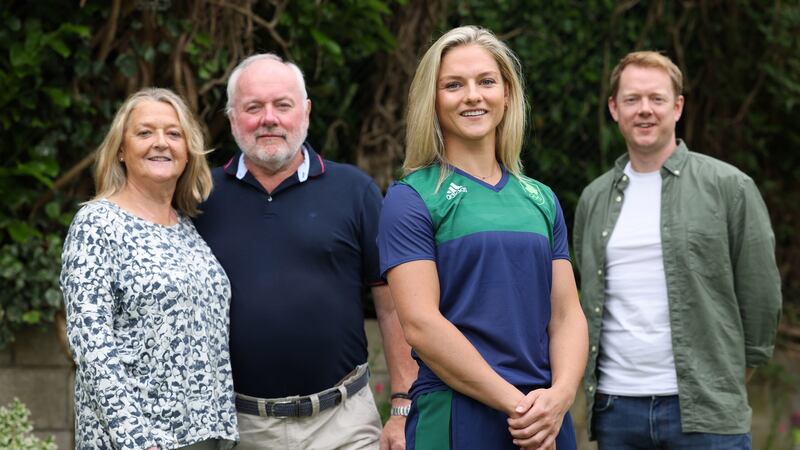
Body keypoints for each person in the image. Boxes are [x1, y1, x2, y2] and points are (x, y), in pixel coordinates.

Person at [377, 25, 588, 450]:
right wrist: (518, 407)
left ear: (506, 93)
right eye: (454, 85)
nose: (472, 95)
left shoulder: (540, 198)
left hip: (544, 419)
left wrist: (560, 397)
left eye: (486, 81)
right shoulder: (412, 199)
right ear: (433, 101)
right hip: (458, 416)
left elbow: (567, 315)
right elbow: (421, 325)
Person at [192, 53, 417, 450]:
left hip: (344, 424)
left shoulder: (355, 191)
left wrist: (401, 403)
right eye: (253, 107)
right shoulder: (200, 198)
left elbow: (393, 304)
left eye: (282, 105)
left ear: (306, 112)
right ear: (231, 118)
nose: (269, 118)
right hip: (240, 428)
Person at [573, 51, 783, 449]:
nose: (645, 110)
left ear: (678, 106)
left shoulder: (729, 187)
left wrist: (734, 377)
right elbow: (584, 297)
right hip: (616, 410)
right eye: (632, 99)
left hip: (706, 413)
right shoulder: (594, 198)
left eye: (657, 98)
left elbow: (761, 294)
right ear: (614, 109)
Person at [60, 88, 238, 450]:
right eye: (145, 133)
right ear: (121, 150)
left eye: (173, 134)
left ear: (187, 151)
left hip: (204, 436)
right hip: (139, 440)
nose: (161, 143)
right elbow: (92, 346)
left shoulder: (187, 227)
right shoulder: (97, 224)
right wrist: (136, 438)